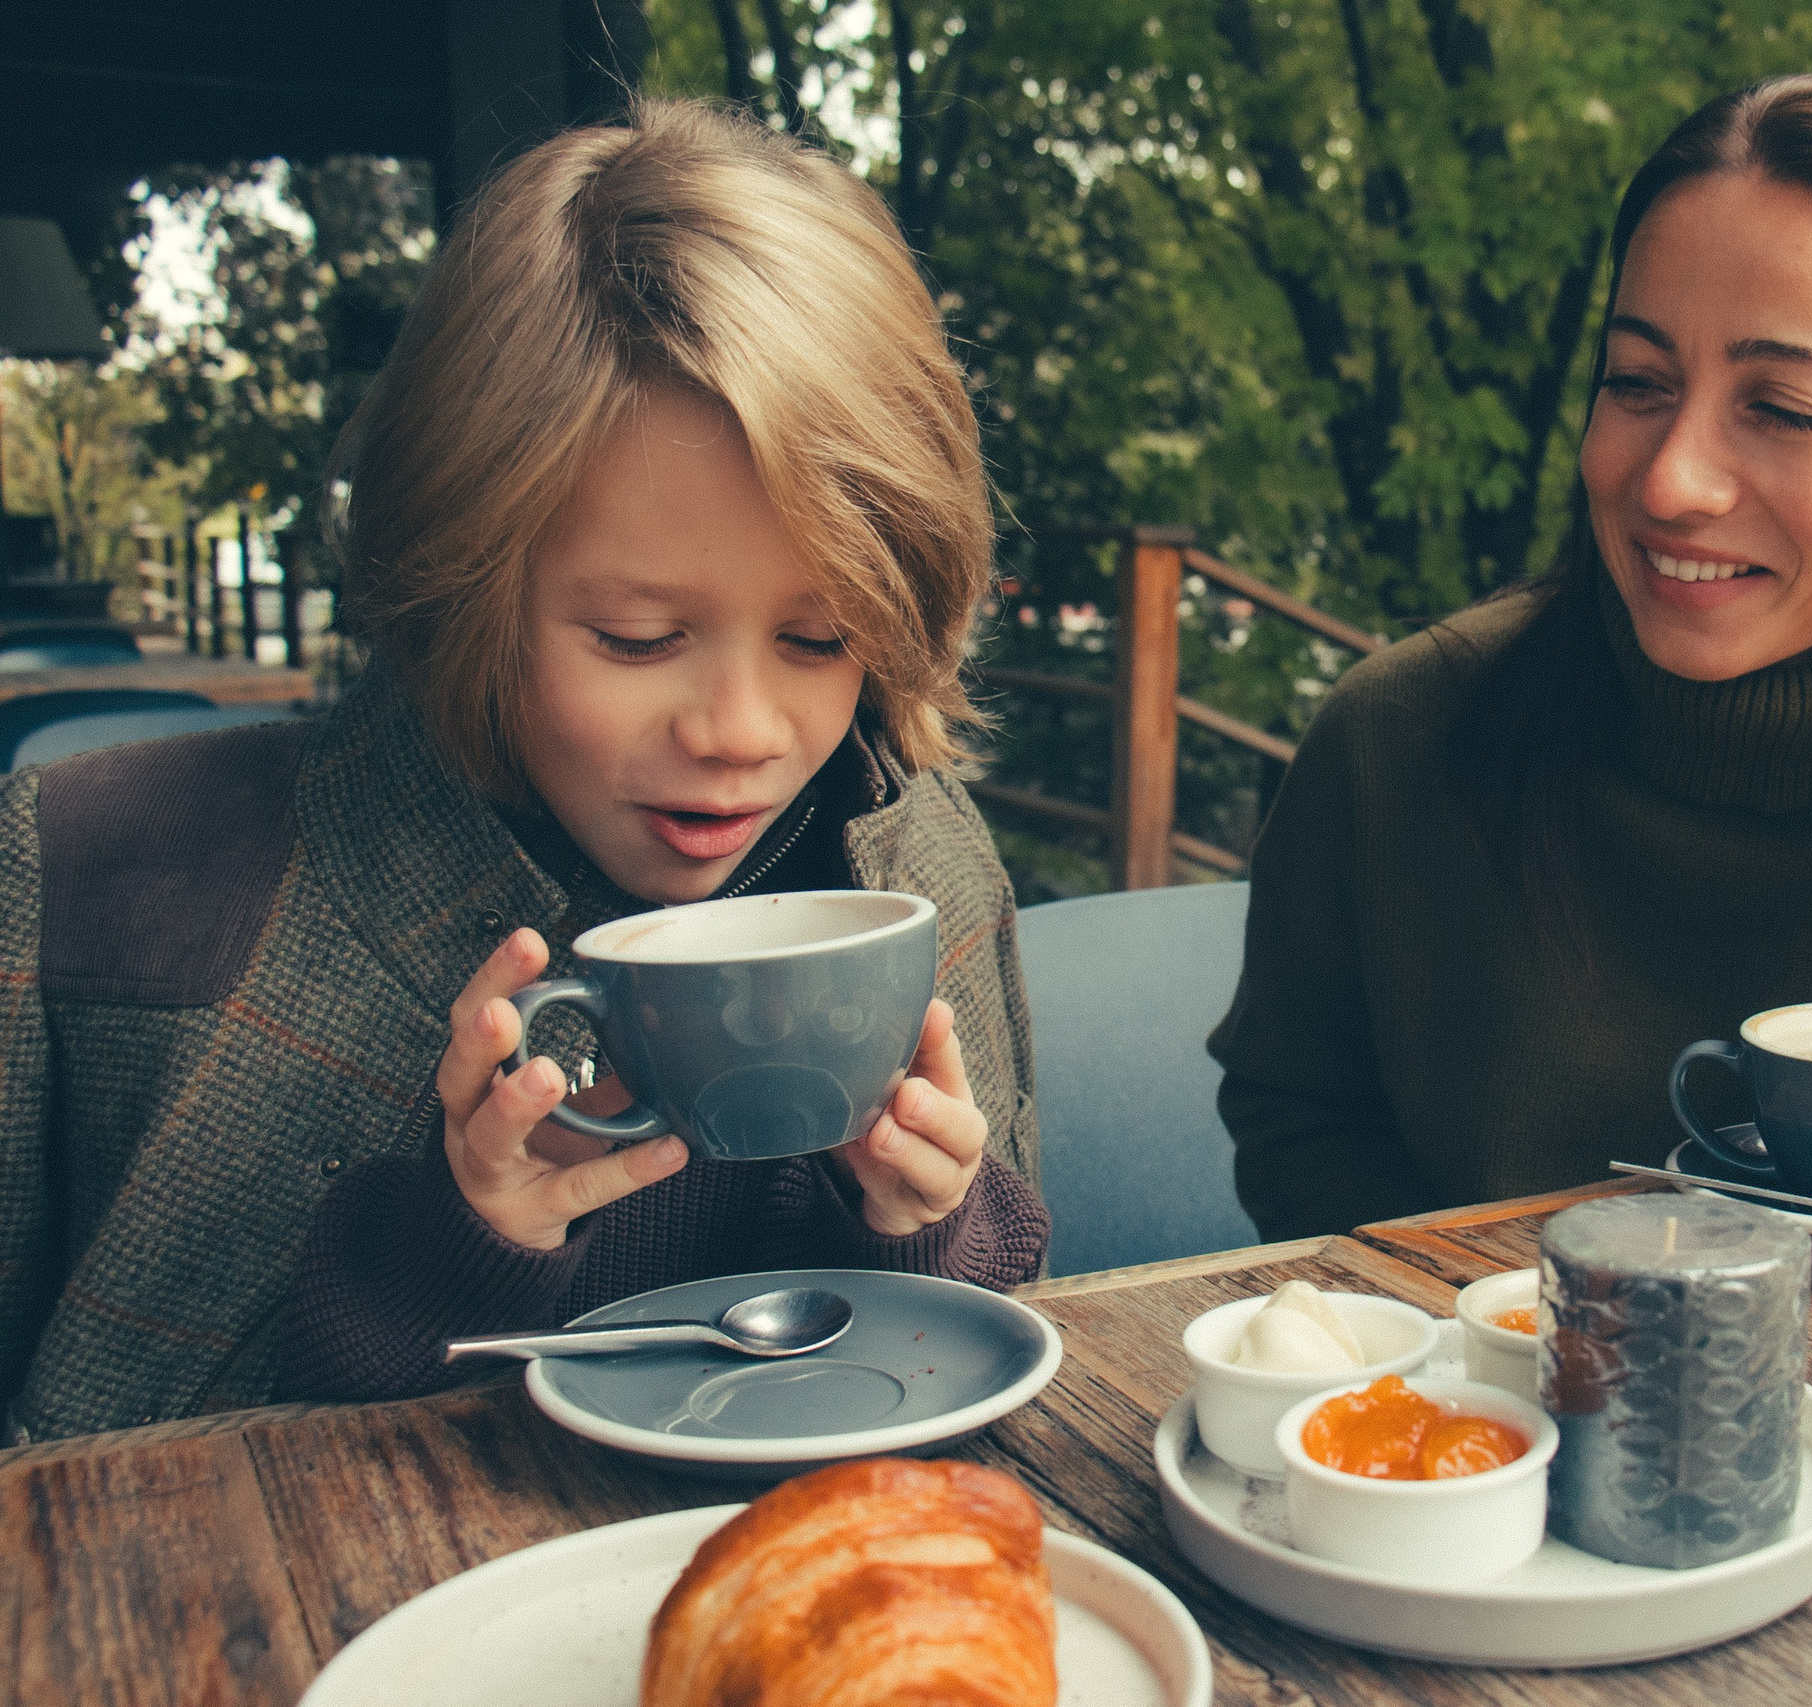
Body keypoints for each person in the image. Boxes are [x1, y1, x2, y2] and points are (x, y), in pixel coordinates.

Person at [0, 101, 1046, 1444]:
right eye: (638, 636)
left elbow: (1018, 1318)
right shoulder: (98, 877)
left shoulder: (925, 860)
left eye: (820, 636)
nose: (741, 728)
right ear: (464, 573)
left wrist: (926, 1219)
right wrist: (461, 1234)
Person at [1210, 75, 1812, 1241]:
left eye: (1782, 407)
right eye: (1635, 384)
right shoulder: (1400, 738)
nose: (1672, 479)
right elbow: (1298, 1127)